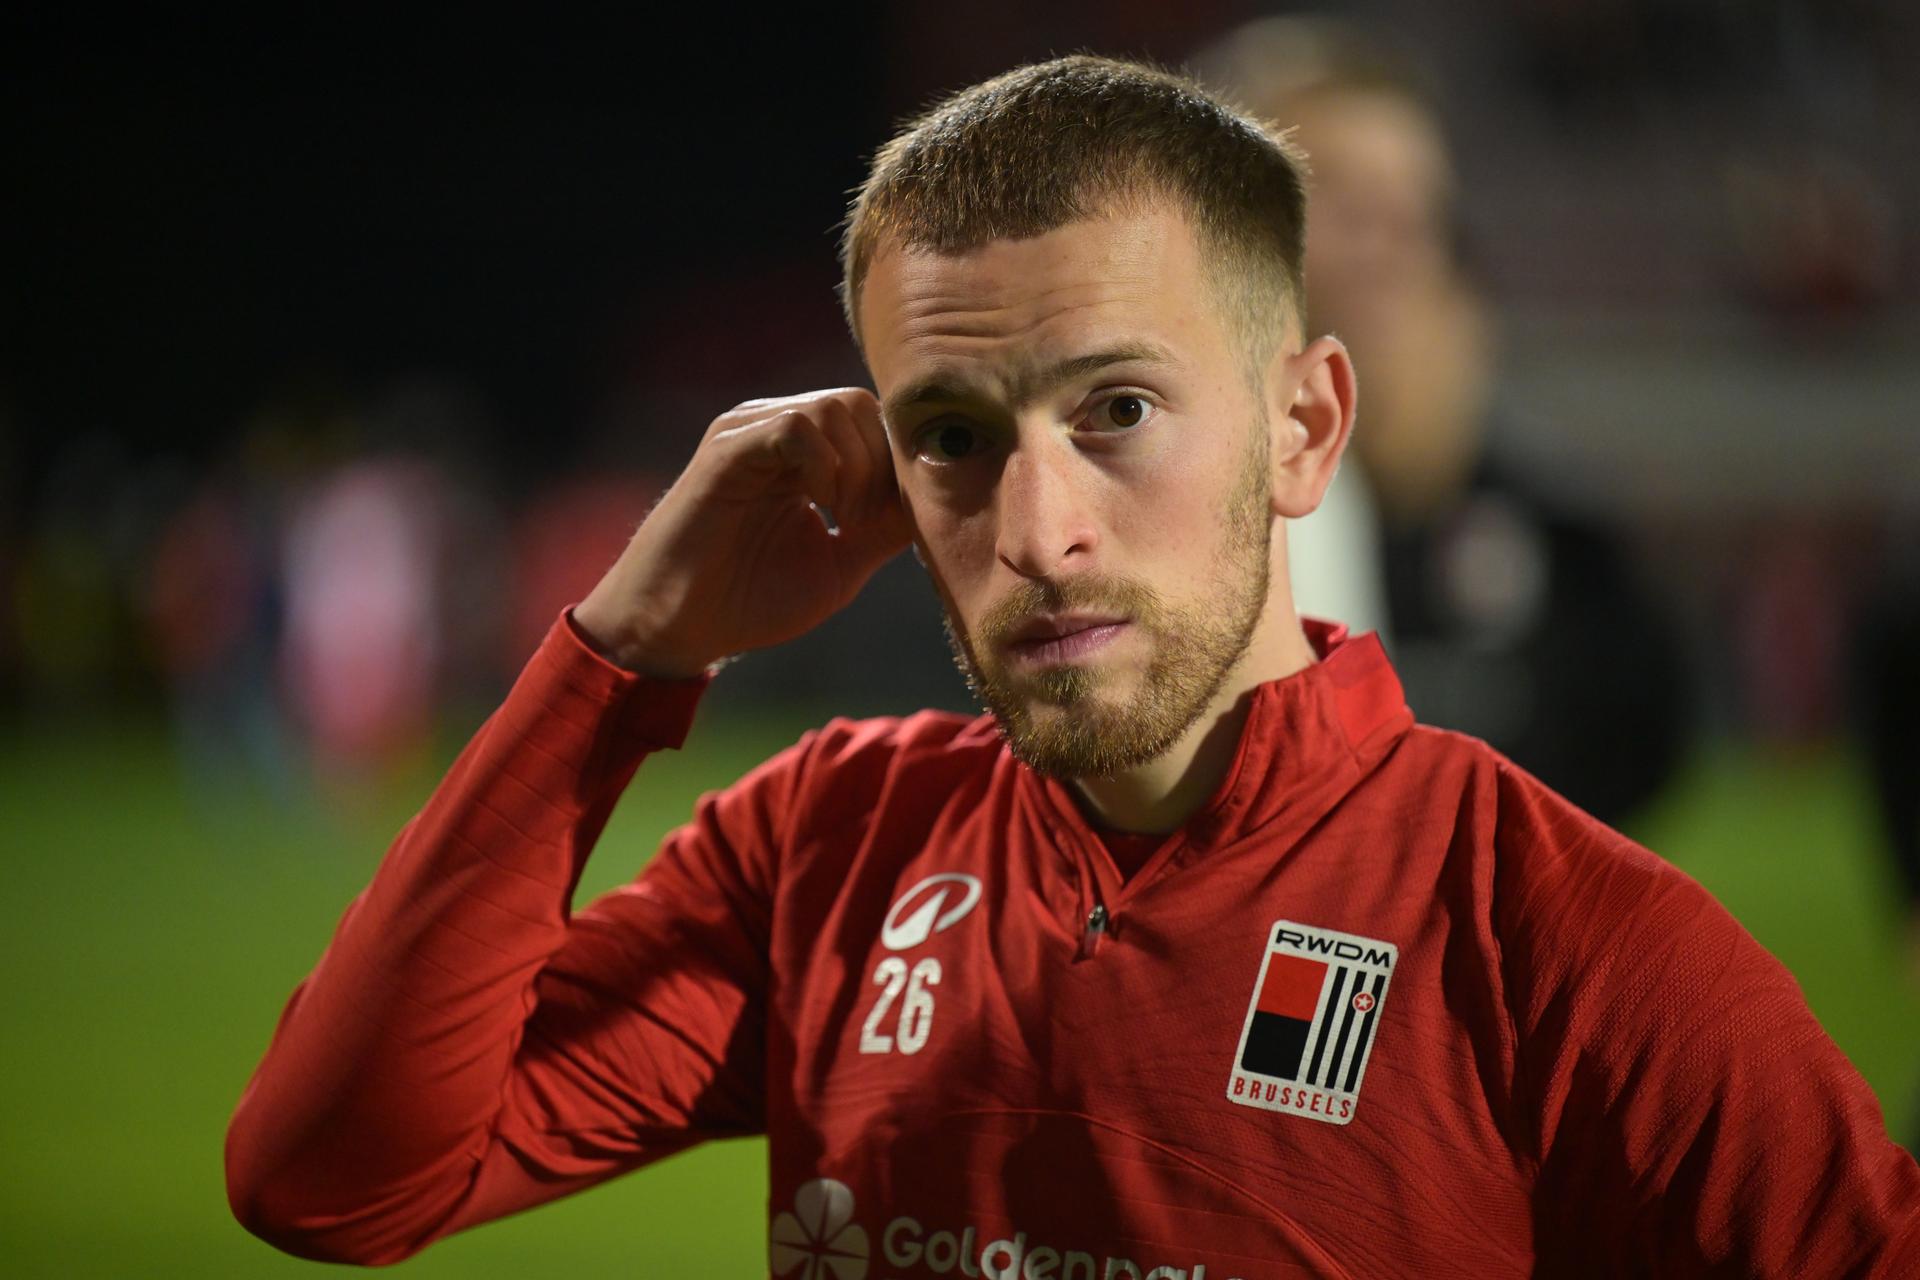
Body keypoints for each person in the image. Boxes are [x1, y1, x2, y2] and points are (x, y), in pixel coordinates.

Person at [225, 56, 1920, 1276]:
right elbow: (335, 1181)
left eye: (1117, 409)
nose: (1038, 527)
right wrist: (618, 662)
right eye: (953, 435)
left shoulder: (1559, 934)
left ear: (1301, 424)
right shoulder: (826, 850)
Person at [1199, 18, 1689, 828]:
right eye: (1347, 204)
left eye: (1417, 212)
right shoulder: (1142, 510)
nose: (1391, 248)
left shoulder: (1545, 526)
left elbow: (1630, 750)